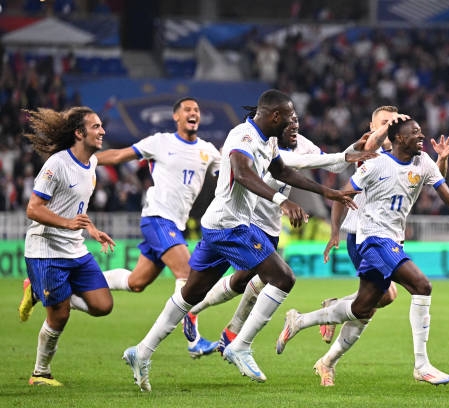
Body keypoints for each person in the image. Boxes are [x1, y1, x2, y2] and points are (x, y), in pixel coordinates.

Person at [121, 89, 359, 391]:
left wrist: (327, 192)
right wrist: (281, 202)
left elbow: (282, 171)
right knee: (283, 278)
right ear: (275, 117)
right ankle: (240, 344)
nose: (292, 125)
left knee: (190, 295)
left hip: (217, 224)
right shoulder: (243, 137)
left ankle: (141, 351)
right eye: (289, 118)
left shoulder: (267, 141)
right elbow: (242, 172)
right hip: (231, 226)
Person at [276, 116, 449, 387]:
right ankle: (421, 364)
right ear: (398, 138)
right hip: (373, 239)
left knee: (363, 307)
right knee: (422, 285)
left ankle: (300, 321)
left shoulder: (423, 162)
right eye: (415, 133)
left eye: (421, 133)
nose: (421, 137)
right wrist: (335, 232)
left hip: (394, 240)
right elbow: (343, 195)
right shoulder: (375, 163)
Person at [181, 106, 380, 352]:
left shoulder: (303, 144)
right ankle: (213, 323)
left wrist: (351, 151)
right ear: (275, 124)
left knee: (254, 283)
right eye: (288, 124)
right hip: (246, 221)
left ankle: (221, 327)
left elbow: (332, 166)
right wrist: (341, 156)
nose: (293, 128)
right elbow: (294, 164)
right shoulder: (263, 144)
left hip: (271, 225)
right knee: (248, 279)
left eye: (296, 123)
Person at [314, 108, 449, 386]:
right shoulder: (371, 153)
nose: (392, 126)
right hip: (362, 237)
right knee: (385, 296)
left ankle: (332, 323)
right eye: (385, 122)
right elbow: (370, 145)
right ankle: (330, 346)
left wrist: (440, 159)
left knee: (374, 301)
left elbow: (433, 180)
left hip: (388, 238)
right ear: (374, 127)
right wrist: (388, 126)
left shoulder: (408, 156)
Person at [96, 97, 221, 358]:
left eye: (197, 109)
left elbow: (231, 176)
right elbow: (119, 155)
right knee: (188, 273)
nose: (193, 113)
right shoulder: (160, 142)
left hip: (175, 223)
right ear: (176, 116)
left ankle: (80, 282)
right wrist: (82, 159)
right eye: (187, 109)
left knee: (136, 281)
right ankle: (193, 340)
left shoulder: (209, 151)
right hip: (157, 217)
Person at [18, 106, 117, 386]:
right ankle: (40, 373)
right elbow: (33, 209)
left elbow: (78, 208)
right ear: (78, 132)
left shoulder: (93, 163)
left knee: (103, 305)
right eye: (96, 127)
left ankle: (38, 291)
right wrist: (66, 223)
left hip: (75, 248)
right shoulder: (56, 164)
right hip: (45, 250)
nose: (102, 131)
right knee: (59, 315)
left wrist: (92, 229)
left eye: (101, 126)